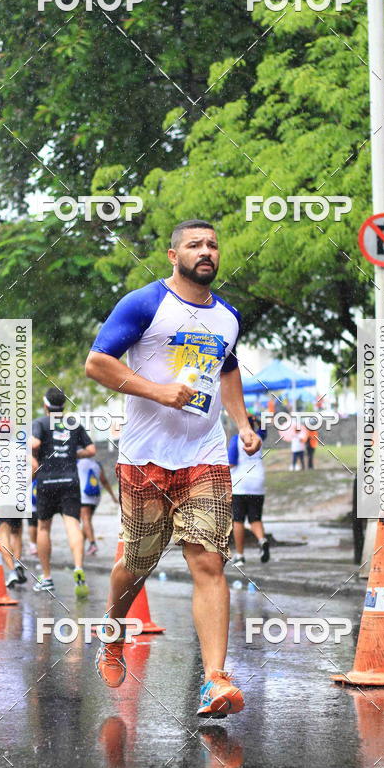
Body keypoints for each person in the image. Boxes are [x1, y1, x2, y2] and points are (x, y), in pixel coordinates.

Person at [85, 218, 261, 718]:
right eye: (194, 245)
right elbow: (97, 363)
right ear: (173, 254)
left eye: (212, 245)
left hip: (204, 455)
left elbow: (227, 370)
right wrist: (158, 390)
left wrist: (242, 425)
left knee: (209, 562)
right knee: (136, 564)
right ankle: (113, 632)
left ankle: (215, 680)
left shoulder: (228, 316)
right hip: (145, 457)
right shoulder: (145, 303)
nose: (205, 251)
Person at [30, 387, 96, 594]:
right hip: (70, 480)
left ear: (45, 405)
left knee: (43, 528)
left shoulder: (40, 423)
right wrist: (74, 455)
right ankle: (78, 567)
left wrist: (33, 457)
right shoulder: (73, 423)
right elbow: (92, 450)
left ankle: (47, 577)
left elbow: (34, 443)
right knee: (72, 523)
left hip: (46, 481)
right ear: (64, 405)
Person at [0, 441, 26, 588]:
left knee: (4, 535)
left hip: (1, 498)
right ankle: (18, 564)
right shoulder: (20, 448)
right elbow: (33, 467)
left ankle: (13, 571)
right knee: (17, 534)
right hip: (18, 498)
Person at [228, 415, 270, 568]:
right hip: (258, 482)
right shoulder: (258, 437)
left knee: (238, 520)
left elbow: (232, 463)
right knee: (255, 518)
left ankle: (240, 555)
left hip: (240, 484)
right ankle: (262, 540)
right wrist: (258, 417)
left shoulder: (236, 439)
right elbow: (265, 428)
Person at [77, 455, 118, 554]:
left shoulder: (77, 463)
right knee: (87, 521)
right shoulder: (96, 464)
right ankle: (79, 545)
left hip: (83, 495)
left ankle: (92, 544)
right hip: (95, 496)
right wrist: (112, 495)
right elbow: (104, 481)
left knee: (85, 519)